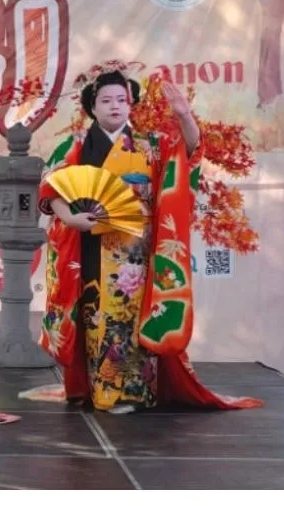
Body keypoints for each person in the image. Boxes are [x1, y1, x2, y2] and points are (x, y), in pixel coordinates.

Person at [31, 61, 261, 413]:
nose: (114, 106)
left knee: (128, 315)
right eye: (106, 100)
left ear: (130, 105)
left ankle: (131, 392)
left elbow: (188, 155)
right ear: (92, 106)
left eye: (121, 100)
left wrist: (184, 117)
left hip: (134, 247)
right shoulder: (75, 146)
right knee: (94, 314)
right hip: (89, 239)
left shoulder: (150, 145)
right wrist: (71, 218)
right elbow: (52, 191)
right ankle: (94, 389)